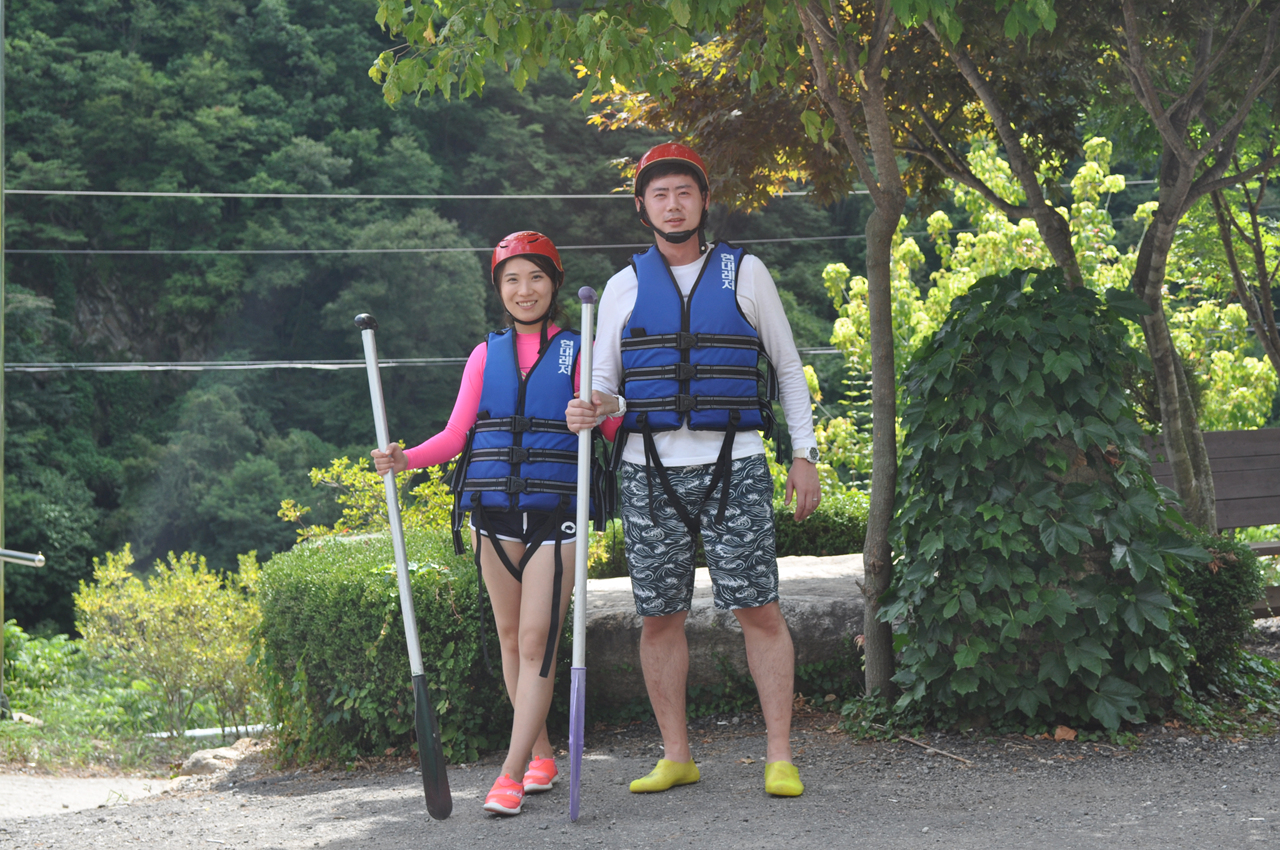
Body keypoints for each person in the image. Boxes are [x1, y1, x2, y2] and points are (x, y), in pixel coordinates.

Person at [566, 143, 821, 798]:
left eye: (685, 191)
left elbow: (788, 367)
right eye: (660, 194)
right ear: (642, 207)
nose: (673, 204)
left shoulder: (747, 273)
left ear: (704, 201)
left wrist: (805, 455)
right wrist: (592, 405)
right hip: (648, 471)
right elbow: (607, 387)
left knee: (759, 608)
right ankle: (676, 755)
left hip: (736, 462)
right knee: (659, 616)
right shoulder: (622, 288)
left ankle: (779, 756)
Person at [372, 231, 614, 816]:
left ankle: (509, 772)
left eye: (535, 277)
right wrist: (405, 459)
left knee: (536, 641)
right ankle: (542, 755)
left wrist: (603, 407)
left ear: (554, 284)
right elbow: (457, 435)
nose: (524, 290)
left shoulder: (580, 349)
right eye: (512, 280)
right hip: (492, 516)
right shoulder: (485, 355)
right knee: (510, 638)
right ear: (499, 289)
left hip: (557, 514)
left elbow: (612, 424)